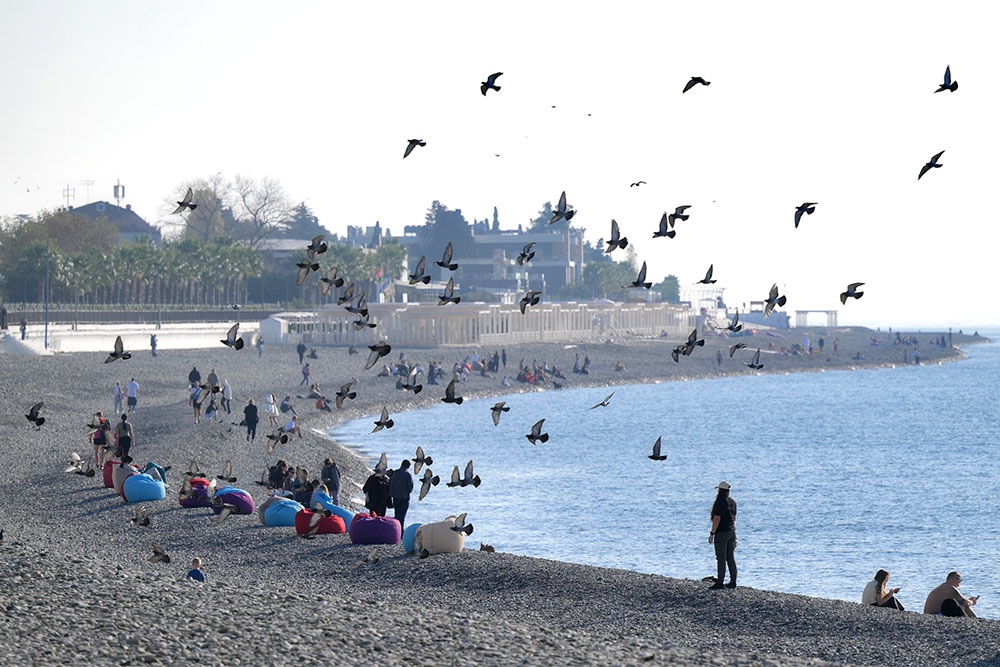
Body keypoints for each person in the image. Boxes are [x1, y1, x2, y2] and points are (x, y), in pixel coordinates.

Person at [708, 481, 738, 589]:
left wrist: (712, 533)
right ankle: (733, 581)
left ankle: (720, 582)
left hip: (721, 533)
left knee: (721, 557)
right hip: (732, 532)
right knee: (730, 557)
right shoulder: (732, 502)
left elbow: (717, 519)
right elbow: (734, 518)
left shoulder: (719, 502)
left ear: (720, 490)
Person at [388, 459, 414, 529]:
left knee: (397, 515)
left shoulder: (394, 473)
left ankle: (395, 529)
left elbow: (389, 484)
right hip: (404, 497)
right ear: (408, 467)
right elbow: (410, 488)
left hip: (395, 497)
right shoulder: (407, 475)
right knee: (402, 516)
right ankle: (400, 532)